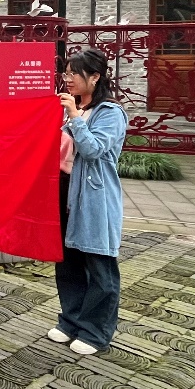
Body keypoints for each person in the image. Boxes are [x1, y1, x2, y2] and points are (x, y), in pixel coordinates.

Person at [48, 47, 127, 356]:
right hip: (64, 190)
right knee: (67, 261)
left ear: (95, 77)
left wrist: (74, 117)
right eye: (66, 73)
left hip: (93, 196)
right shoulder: (71, 107)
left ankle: (95, 331)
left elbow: (93, 150)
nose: (68, 79)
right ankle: (71, 320)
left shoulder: (110, 113)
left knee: (98, 263)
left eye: (74, 74)